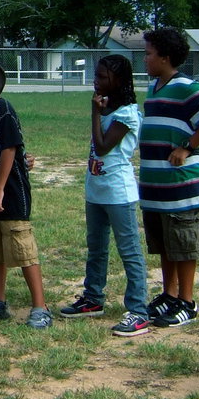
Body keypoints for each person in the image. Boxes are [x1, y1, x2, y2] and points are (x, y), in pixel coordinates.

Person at [139, 28, 199, 327]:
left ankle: (187, 302)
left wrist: (188, 147)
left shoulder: (187, 86)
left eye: (149, 53)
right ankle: (170, 293)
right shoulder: (154, 87)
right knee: (166, 243)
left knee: (184, 244)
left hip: (182, 186)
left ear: (165, 58)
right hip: (158, 187)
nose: (145, 58)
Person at [59, 55, 151, 337]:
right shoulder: (108, 107)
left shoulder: (127, 113)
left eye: (102, 77)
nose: (96, 82)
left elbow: (101, 148)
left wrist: (95, 113)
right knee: (96, 248)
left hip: (118, 192)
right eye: (96, 76)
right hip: (96, 189)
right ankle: (93, 298)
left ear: (119, 81)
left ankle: (138, 310)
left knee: (129, 252)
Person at [0, 64, 52, 329]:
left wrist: (0, 188)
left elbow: (9, 148)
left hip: (8, 195)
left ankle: (40, 307)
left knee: (21, 246)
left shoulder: (3, 110)